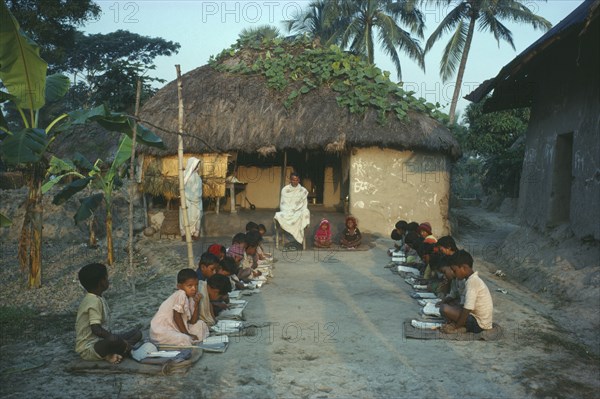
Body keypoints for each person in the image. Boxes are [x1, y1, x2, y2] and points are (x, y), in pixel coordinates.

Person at [75, 263, 142, 363]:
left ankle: (120, 350)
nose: (108, 280)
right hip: (90, 348)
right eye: (106, 278)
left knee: (137, 333)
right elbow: (96, 329)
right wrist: (116, 339)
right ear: (101, 282)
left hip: (100, 342)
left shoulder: (98, 297)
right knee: (114, 340)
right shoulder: (93, 301)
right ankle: (122, 350)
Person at [150, 268, 209, 346]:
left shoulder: (191, 298)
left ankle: (189, 340)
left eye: (196, 285)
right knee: (184, 339)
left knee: (201, 325)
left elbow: (193, 321)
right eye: (190, 286)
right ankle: (188, 340)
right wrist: (187, 334)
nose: (194, 289)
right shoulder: (181, 294)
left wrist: (197, 304)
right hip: (161, 331)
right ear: (179, 286)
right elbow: (176, 316)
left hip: (176, 329)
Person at [441, 250, 493, 334]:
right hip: (479, 321)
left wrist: (456, 327)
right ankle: (462, 327)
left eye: (455, 271)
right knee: (450, 306)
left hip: (479, 324)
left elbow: (467, 309)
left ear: (464, 268)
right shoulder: (471, 280)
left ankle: (460, 328)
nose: (454, 273)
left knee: (444, 308)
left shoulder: (472, 281)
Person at [274, 173, 310, 247]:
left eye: (296, 180)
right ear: (290, 180)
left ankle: (300, 239)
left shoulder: (303, 191)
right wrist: (289, 211)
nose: (295, 182)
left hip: (298, 212)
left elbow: (304, 205)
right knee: (279, 215)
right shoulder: (285, 190)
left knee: (306, 212)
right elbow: (283, 204)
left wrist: (297, 211)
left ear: (299, 180)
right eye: (293, 180)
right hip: (287, 211)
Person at [179, 157, 203, 241]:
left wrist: (196, 196)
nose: (197, 167)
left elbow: (199, 190)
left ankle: (194, 234)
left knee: (196, 216)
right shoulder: (184, 175)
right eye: (196, 165)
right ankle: (186, 235)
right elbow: (182, 187)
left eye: (197, 165)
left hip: (197, 202)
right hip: (187, 201)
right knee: (186, 217)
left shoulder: (198, 177)